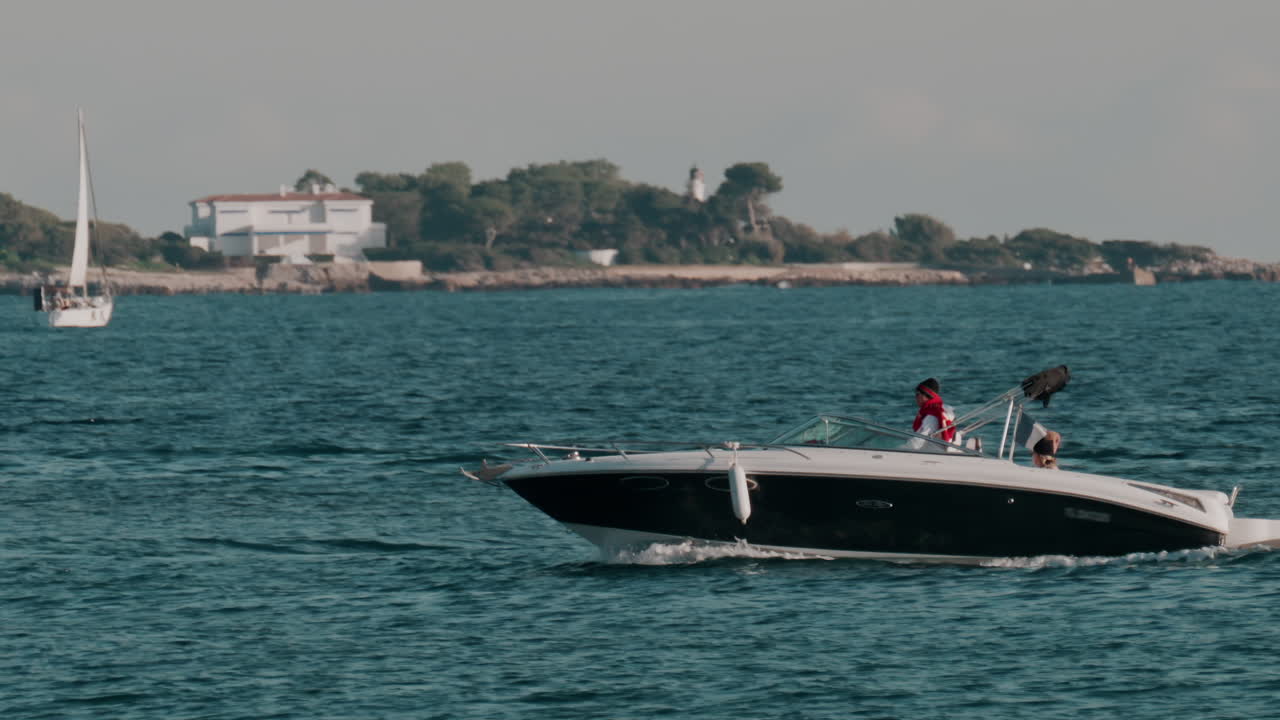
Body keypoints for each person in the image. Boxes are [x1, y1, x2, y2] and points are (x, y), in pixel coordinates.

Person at [912, 378, 956, 443]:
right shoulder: (946, 409)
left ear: (925, 395)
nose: (915, 397)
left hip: (932, 448)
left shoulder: (931, 416)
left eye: (917, 393)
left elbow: (917, 443)